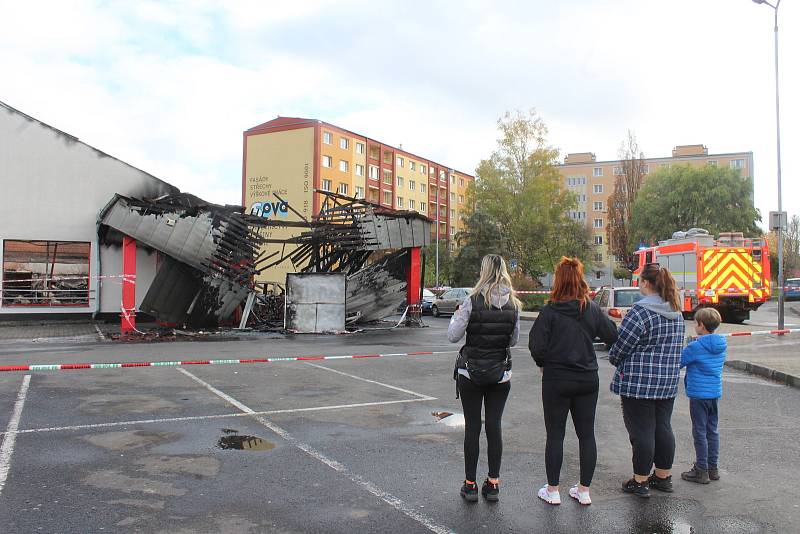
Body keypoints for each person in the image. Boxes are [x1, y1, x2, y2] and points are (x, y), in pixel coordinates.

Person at [529, 257, 618, 506]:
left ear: (557, 280)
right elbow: (612, 334)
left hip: (557, 378)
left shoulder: (549, 311)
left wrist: (544, 362)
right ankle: (584, 490)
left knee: (555, 434)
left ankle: (553, 490)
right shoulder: (589, 308)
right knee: (586, 434)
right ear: (581, 279)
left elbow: (536, 345)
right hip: (587, 377)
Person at [449, 254, 521, 503]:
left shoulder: (471, 301)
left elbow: (453, 336)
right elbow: (514, 340)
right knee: (494, 426)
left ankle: (470, 485)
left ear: (484, 271)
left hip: (471, 372)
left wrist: (457, 316)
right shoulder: (513, 303)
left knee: (473, 426)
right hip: (500, 373)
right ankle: (493, 483)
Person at [609, 263, 685, 499]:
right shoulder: (676, 311)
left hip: (639, 383)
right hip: (668, 382)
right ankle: (663, 477)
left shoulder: (640, 312)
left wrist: (614, 357)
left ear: (645, 283)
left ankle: (640, 480)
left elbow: (621, 346)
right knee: (663, 427)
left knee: (642, 431)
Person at [680, 307, 727, 484]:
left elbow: (679, 361)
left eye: (695, 323)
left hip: (698, 394)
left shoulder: (696, 346)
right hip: (714, 392)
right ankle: (712, 467)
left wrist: (690, 344)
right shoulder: (721, 344)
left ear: (701, 325)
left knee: (699, 431)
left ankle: (701, 469)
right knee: (712, 430)